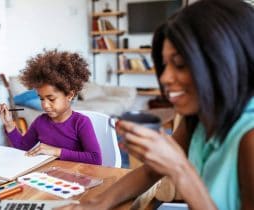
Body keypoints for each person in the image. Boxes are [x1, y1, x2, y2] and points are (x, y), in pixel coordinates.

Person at [56, 0, 254, 209]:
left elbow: (177, 169)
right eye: (165, 64)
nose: (166, 78)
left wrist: (180, 169)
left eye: (180, 64)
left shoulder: (249, 138)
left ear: (226, 60)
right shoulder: (198, 119)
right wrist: (95, 204)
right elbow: (151, 171)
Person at [0, 50, 102, 165]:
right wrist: (9, 125)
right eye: (41, 99)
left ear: (70, 95)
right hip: (49, 176)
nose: (45, 105)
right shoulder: (40, 122)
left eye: (51, 99)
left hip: (77, 177)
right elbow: (23, 147)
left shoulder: (81, 122)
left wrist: (56, 151)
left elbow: (95, 159)